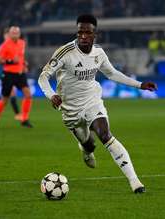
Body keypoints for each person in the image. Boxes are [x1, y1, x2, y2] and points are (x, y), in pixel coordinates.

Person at [38, 14, 157, 193]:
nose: (83, 36)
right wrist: (51, 95)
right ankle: (86, 150)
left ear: (95, 34)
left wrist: (139, 84)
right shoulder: (65, 52)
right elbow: (43, 77)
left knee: (105, 135)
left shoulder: (99, 53)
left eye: (88, 32)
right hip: (70, 109)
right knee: (89, 144)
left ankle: (135, 182)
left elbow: (112, 73)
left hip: (92, 101)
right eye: (80, 33)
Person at [0, 26, 33, 131]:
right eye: (12, 33)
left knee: (28, 94)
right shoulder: (5, 46)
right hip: (8, 74)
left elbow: (20, 56)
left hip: (20, 73)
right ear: (9, 34)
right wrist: (11, 61)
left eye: (16, 33)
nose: (15, 34)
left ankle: (24, 119)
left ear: (19, 34)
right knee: (4, 100)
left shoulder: (22, 43)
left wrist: (24, 64)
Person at [0, 27, 22, 121]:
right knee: (10, 93)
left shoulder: (13, 45)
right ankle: (17, 114)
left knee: (5, 94)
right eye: (6, 35)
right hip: (3, 72)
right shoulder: (1, 47)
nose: (8, 37)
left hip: (10, 72)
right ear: (4, 36)